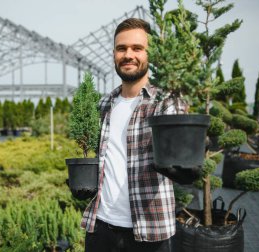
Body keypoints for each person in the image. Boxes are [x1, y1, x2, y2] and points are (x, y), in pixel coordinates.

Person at [81, 18, 187, 252]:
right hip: (101, 229)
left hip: (150, 231)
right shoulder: (103, 104)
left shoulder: (167, 103)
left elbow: (182, 155)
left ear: (150, 54)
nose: (128, 54)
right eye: (122, 48)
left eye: (137, 48)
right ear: (114, 54)